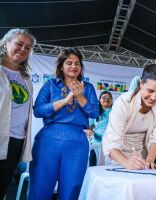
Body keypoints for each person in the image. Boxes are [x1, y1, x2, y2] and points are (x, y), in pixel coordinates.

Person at [28, 48, 99, 200]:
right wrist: (65, 101)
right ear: (61, 66)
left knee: (71, 190)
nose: (74, 66)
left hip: (77, 141)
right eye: (69, 63)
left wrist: (80, 97)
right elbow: (38, 110)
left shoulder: (88, 88)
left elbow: (94, 113)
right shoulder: (50, 85)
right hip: (48, 139)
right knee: (40, 187)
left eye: (77, 63)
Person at [102, 64, 156, 170]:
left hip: (143, 157)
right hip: (118, 157)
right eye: (150, 91)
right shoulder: (124, 102)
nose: (154, 97)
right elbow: (111, 142)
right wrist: (126, 162)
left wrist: (150, 160)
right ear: (140, 84)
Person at [0, 28, 36, 199]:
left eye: (27, 47)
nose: (23, 49)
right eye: (19, 44)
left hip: (15, 142)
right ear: (6, 43)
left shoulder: (27, 79)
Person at [88, 91, 113, 166]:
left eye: (109, 98)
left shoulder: (115, 111)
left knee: (106, 169)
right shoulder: (95, 112)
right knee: (93, 167)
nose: (106, 99)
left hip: (109, 145)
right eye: (104, 97)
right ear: (99, 100)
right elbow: (90, 127)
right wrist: (89, 132)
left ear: (112, 101)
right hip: (95, 144)